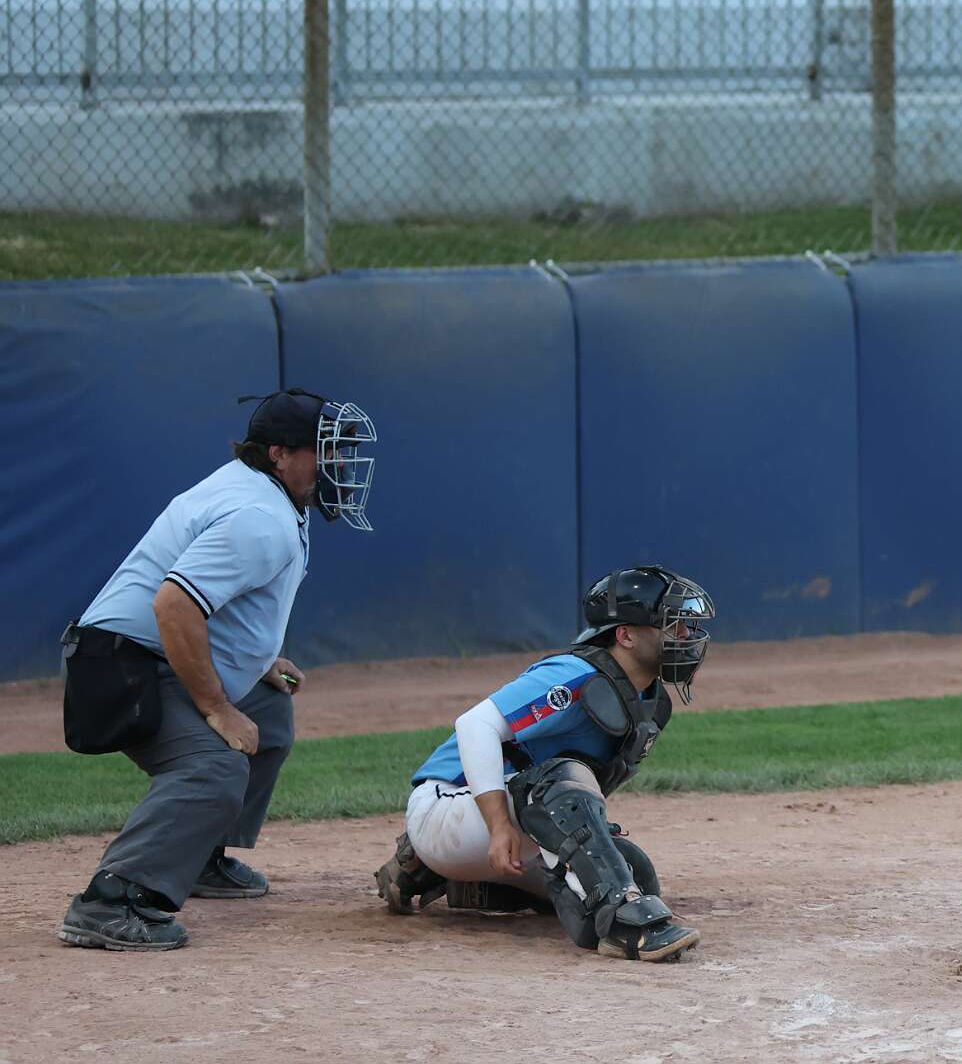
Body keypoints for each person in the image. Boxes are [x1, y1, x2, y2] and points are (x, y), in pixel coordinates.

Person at [57, 388, 377, 950]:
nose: (338, 464)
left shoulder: (262, 493)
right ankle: (110, 899)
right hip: (120, 667)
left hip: (145, 652)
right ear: (279, 454)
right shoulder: (260, 517)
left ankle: (198, 856)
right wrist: (215, 707)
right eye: (324, 450)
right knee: (214, 768)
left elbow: (214, 602)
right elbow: (174, 605)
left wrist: (257, 659)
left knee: (268, 714)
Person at [373, 566, 713, 963]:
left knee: (632, 874)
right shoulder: (575, 675)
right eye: (672, 626)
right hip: (447, 807)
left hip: (502, 825)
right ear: (625, 635)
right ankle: (624, 931)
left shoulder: (647, 701)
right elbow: (474, 725)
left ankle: (448, 879)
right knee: (563, 790)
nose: (685, 636)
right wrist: (498, 825)